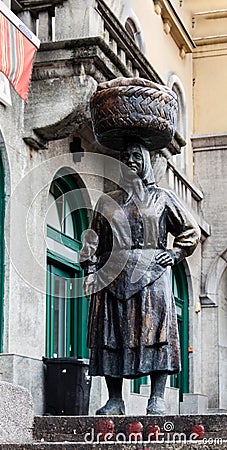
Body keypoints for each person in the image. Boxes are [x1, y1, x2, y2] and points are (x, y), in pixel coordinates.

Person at [80, 140, 200, 415]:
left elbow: (189, 231)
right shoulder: (107, 201)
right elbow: (93, 238)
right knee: (112, 336)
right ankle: (114, 400)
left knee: (158, 334)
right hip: (112, 275)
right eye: (126, 156)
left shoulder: (163, 198)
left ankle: (156, 398)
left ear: (147, 160)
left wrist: (176, 253)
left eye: (136, 156)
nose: (131, 160)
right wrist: (89, 269)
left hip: (152, 273)